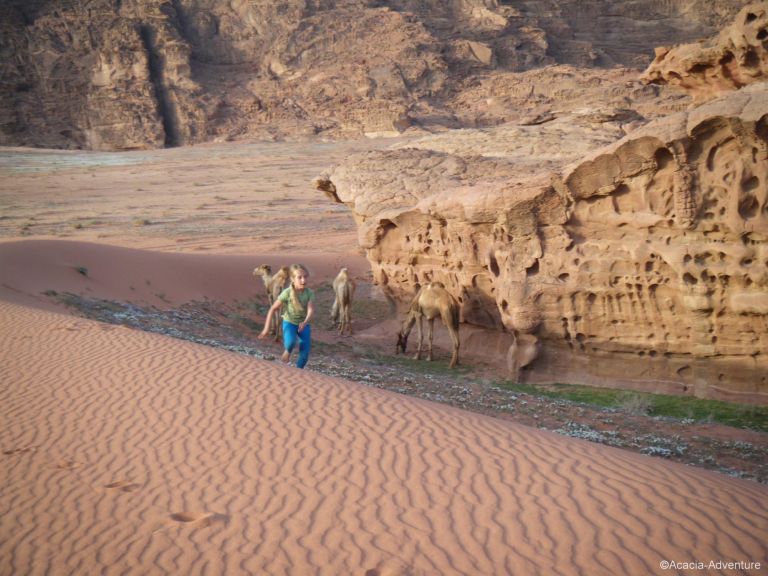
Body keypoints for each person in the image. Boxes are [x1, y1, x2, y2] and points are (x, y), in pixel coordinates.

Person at [258, 263, 315, 368]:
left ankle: (299, 373)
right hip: (289, 323)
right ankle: (287, 351)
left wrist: (305, 322)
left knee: (305, 353)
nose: (304, 280)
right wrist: (266, 329)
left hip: (304, 325)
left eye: (305, 277)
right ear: (293, 279)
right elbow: (273, 309)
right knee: (290, 343)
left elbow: (311, 309)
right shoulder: (287, 293)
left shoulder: (309, 293)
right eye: (300, 277)